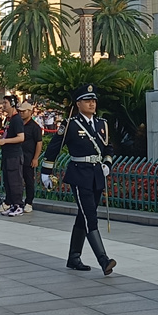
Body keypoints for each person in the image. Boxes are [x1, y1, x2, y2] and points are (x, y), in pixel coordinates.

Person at [40, 84, 116, 275]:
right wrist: (46, 172)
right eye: (87, 101)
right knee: (90, 217)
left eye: (94, 100)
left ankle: (74, 257)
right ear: (78, 104)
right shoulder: (71, 125)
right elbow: (53, 148)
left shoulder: (102, 124)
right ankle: (103, 260)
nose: (92, 104)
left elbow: (108, 148)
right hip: (80, 174)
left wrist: (107, 164)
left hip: (97, 174)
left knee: (84, 216)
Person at [0, 95, 26, 217]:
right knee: (8, 181)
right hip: (7, 155)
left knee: (15, 181)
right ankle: (11, 204)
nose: (3, 105)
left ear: (12, 104)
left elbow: (21, 137)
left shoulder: (17, 119)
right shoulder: (8, 120)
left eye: (5, 103)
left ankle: (19, 205)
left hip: (14, 155)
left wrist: (5, 141)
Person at [19, 101, 44, 213]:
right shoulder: (19, 124)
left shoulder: (35, 127)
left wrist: (35, 158)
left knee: (29, 180)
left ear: (30, 112)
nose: (21, 113)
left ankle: (29, 202)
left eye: (23, 111)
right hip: (18, 156)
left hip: (28, 157)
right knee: (17, 180)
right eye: (20, 111)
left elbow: (39, 143)